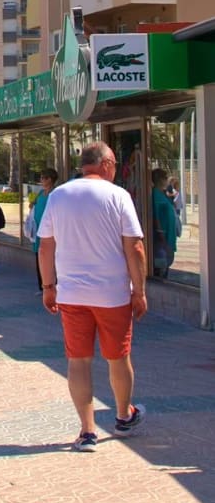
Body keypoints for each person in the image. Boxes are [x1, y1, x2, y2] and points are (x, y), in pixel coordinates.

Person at [38, 141, 147, 452]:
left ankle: (87, 432)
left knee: (78, 361)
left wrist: (48, 287)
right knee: (118, 357)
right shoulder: (118, 196)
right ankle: (124, 417)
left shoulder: (58, 196)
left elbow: (46, 246)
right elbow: (135, 247)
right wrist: (139, 291)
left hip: (72, 295)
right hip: (113, 295)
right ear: (107, 164)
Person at [29, 168, 58, 291]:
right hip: (38, 230)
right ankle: (42, 286)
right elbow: (34, 203)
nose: (41, 180)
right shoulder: (41, 193)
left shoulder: (55, 193)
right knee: (39, 257)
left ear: (49, 179)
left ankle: (54, 285)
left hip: (51, 231)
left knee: (52, 258)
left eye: (42, 178)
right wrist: (32, 204)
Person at [151, 168, 177, 278]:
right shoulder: (155, 194)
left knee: (165, 261)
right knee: (162, 263)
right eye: (165, 178)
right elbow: (156, 215)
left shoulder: (162, 193)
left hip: (168, 234)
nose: (167, 180)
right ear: (160, 179)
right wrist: (160, 232)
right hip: (163, 236)